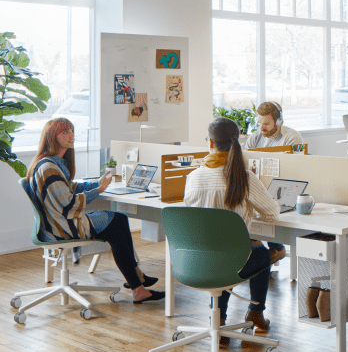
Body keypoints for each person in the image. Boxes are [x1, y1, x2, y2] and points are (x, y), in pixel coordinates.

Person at [27, 118, 164, 304]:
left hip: (55, 224)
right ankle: (137, 284)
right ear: (52, 137)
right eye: (65, 132)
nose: (71, 135)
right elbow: (68, 204)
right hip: (61, 228)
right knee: (117, 222)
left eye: (72, 130)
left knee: (118, 221)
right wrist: (98, 190)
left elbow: (71, 188)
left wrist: (97, 184)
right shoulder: (49, 168)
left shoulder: (51, 163)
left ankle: (137, 281)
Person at [185, 117, 281, 340]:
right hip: (231, 263)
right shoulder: (244, 178)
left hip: (197, 262)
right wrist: (247, 213)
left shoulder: (193, 177)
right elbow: (272, 213)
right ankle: (256, 312)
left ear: (210, 143)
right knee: (261, 253)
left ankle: (218, 320)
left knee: (223, 255)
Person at [245, 101, 302, 264]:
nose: (262, 128)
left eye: (266, 124)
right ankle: (257, 247)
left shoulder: (291, 137)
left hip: (284, 187)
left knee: (267, 207)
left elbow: (298, 167)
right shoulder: (255, 137)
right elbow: (246, 161)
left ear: (278, 121)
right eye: (259, 123)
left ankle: (275, 247)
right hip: (259, 187)